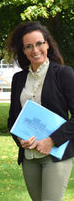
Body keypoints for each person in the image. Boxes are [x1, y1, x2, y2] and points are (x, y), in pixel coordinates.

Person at [6, 21, 74, 201]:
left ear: (47, 44)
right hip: (29, 157)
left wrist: (52, 140)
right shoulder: (18, 79)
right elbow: (12, 119)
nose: (35, 50)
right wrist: (20, 139)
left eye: (39, 44)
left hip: (56, 155)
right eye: (28, 46)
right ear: (23, 51)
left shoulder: (64, 74)